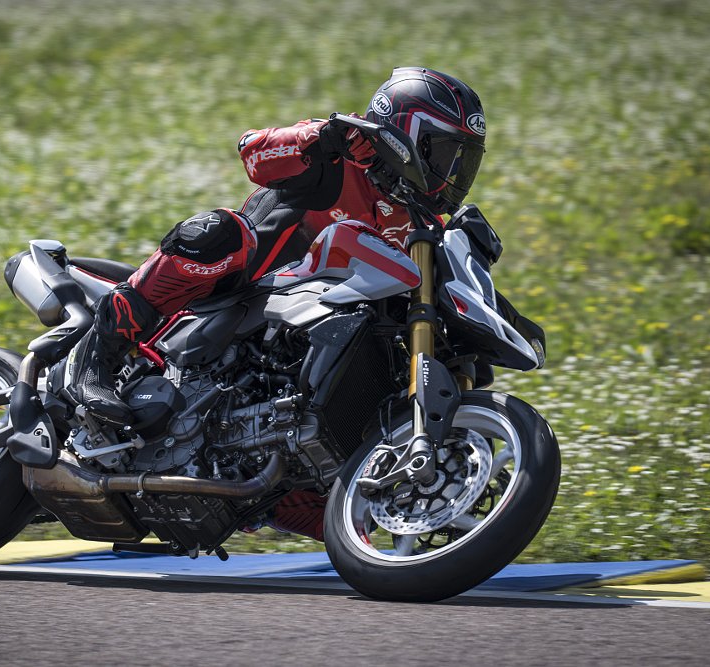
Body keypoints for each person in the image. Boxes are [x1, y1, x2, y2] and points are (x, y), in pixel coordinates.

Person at [74, 67, 488, 540]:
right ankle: (96, 357)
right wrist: (321, 136)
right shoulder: (341, 156)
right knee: (217, 232)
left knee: (359, 518)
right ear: (405, 132)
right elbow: (253, 152)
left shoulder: (420, 227)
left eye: (465, 161)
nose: (454, 174)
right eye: (445, 154)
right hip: (239, 297)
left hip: (295, 353)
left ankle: (254, 484)